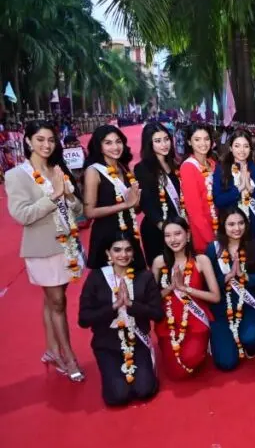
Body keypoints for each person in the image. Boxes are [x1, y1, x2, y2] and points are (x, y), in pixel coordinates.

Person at [6, 120, 86, 382]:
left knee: (54, 299)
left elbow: (78, 210)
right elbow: (22, 215)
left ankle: (52, 349)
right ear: (28, 141)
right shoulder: (16, 175)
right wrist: (53, 198)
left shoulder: (58, 170)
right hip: (41, 248)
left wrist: (71, 198)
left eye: (50, 140)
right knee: (58, 303)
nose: (46, 145)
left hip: (67, 243)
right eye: (40, 139)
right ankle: (68, 356)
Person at [78, 232, 162, 406]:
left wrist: (131, 304)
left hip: (138, 341)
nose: (123, 255)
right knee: (118, 396)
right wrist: (114, 307)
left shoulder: (144, 276)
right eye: (117, 250)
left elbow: (158, 314)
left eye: (128, 250)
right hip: (107, 344)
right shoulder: (96, 278)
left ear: (133, 253)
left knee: (144, 390)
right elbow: (84, 319)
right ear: (108, 253)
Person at [151, 217, 220, 379]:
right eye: (168, 235)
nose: (173, 239)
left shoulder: (201, 261)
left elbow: (215, 297)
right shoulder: (159, 263)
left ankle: (203, 346)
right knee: (177, 374)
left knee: (190, 360)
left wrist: (185, 288)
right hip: (168, 324)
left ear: (187, 235)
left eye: (177, 234)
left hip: (196, 320)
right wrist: (171, 288)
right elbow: (152, 300)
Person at [205, 208, 255, 371]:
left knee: (252, 338)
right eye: (231, 224)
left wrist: (244, 276)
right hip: (221, 309)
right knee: (227, 363)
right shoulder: (213, 249)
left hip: (248, 305)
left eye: (241, 223)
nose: (237, 228)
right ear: (223, 226)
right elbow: (207, 285)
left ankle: (247, 340)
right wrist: (226, 278)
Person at [83, 125, 146, 270]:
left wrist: (137, 202)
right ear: (99, 146)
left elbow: (135, 209)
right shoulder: (94, 171)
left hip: (129, 232)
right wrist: (125, 205)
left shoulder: (124, 168)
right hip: (106, 234)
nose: (115, 147)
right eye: (108, 143)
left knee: (135, 281)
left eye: (118, 142)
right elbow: (89, 212)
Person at [212, 129, 255, 248]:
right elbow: (218, 201)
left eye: (246, 146)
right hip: (230, 228)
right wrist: (239, 188)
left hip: (253, 228)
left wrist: (250, 188)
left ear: (251, 148)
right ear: (230, 148)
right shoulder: (222, 170)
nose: (242, 150)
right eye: (237, 146)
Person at [134, 122, 183, 263]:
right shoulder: (142, 168)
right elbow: (146, 203)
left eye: (166, 139)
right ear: (149, 144)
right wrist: (164, 227)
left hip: (178, 226)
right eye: (158, 141)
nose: (164, 144)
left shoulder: (175, 164)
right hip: (157, 229)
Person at [179, 124, 218, 253]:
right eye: (197, 139)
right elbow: (195, 212)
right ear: (189, 142)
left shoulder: (213, 163)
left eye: (206, 139)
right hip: (203, 234)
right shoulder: (188, 167)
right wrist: (211, 240)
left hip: (220, 227)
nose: (203, 143)